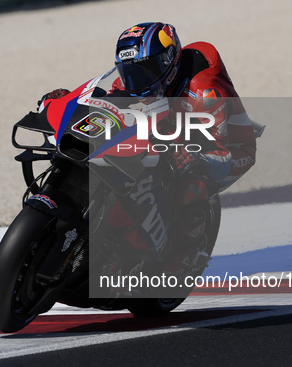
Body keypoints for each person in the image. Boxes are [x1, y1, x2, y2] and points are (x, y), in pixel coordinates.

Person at [40, 22, 257, 249]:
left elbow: (221, 153)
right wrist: (67, 103)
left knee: (190, 188)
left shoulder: (205, 93)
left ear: (168, 62)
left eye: (145, 70)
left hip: (226, 150)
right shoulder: (134, 81)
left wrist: (196, 158)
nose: (136, 80)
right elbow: (110, 98)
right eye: (129, 71)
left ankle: (182, 256)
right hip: (171, 128)